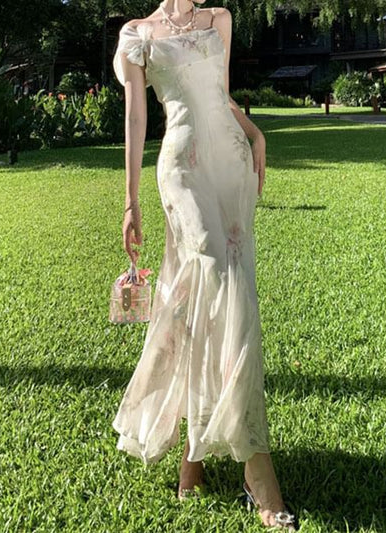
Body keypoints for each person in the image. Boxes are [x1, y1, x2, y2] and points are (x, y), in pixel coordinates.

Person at [112, 1, 297, 530]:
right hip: (182, 167)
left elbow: (220, 93)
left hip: (229, 163)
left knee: (216, 295)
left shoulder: (220, 20)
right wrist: (131, 202)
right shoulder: (138, 34)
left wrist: (255, 131)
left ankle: (194, 455)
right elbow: (137, 117)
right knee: (217, 276)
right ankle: (256, 468)